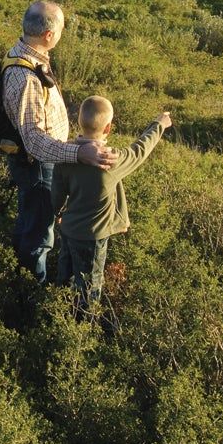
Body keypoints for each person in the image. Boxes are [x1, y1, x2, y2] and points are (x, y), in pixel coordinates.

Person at [2, 0, 118, 285]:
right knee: (39, 234)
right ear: (49, 36)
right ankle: (30, 292)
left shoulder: (25, 56)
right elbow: (34, 142)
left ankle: (19, 273)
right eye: (62, 28)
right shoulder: (26, 76)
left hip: (39, 165)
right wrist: (79, 154)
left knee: (31, 222)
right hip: (38, 167)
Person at [55, 95, 171, 311]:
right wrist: (159, 124)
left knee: (65, 277)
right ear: (108, 128)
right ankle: (83, 330)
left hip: (69, 230)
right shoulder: (111, 160)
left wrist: (58, 213)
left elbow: (56, 197)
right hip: (93, 237)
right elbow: (140, 149)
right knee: (90, 287)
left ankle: (58, 315)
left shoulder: (67, 155)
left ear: (79, 121)